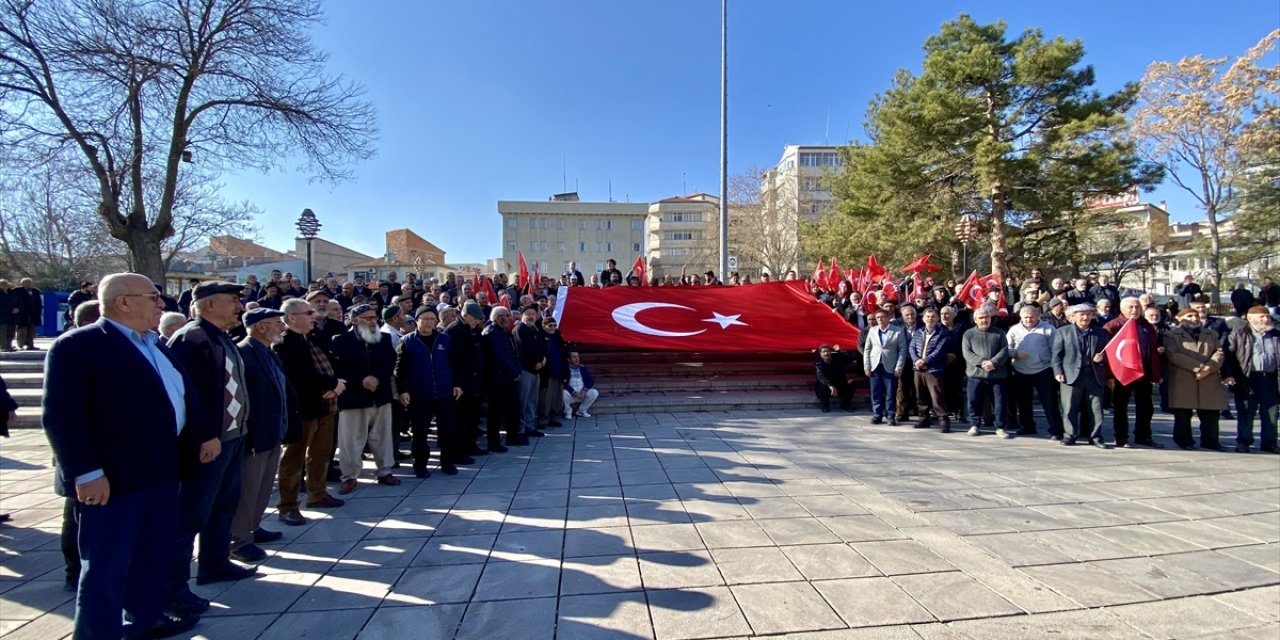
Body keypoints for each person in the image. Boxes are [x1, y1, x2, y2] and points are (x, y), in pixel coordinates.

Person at [43, 273, 200, 639]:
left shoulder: (154, 344)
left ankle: (145, 617)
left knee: (152, 554)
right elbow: (62, 417)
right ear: (123, 302)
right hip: (112, 478)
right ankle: (98, 633)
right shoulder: (78, 347)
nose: (162, 304)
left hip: (160, 471)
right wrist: (85, 472)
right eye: (153, 297)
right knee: (106, 565)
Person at [164, 282, 257, 616]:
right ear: (209, 304)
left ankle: (215, 563)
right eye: (232, 301)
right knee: (190, 514)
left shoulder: (220, 336)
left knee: (223, 504)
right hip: (208, 443)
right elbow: (188, 395)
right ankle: (172, 589)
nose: (238, 307)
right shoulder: (192, 339)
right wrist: (204, 435)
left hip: (232, 437)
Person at [230, 308, 299, 565]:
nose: (282, 327)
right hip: (255, 435)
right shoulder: (244, 353)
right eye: (277, 323)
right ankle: (239, 540)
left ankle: (253, 528)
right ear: (260, 327)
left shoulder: (269, 352)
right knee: (248, 489)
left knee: (262, 487)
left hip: (273, 431)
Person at [274, 298, 346, 526]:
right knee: (293, 460)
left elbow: (331, 362)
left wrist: (336, 385)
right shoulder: (283, 343)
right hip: (303, 410)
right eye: (308, 312)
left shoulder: (312, 337)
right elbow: (300, 376)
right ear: (292, 317)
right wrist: (332, 385)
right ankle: (288, 506)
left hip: (326, 406)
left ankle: (317, 494)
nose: (314, 316)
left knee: (321, 454)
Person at [330, 304, 401, 492]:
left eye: (374, 318)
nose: (372, 321)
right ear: (354, 320)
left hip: (380, 394)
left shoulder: (384, 338)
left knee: (382, 436)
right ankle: (350, 476)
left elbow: (390, 362)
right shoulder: (340, 341)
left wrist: (377, 378)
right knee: (351, 439)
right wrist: (362, 380)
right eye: (367, 318)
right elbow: (339, 368)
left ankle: (385, 471)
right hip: (353, 397)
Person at [395, 306, 466, 476]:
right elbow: (399, 370)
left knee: (447, 430)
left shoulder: (445, 339)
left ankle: (447, 463)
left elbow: (455, 364)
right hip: (419, 394)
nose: (428, 322)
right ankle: (420, 465)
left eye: (432, 319)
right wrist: (402, 391)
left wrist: (457, 384)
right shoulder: (406, 341)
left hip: (444, 392)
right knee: (420, 433)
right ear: (416, 321)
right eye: (424, 319)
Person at [1102, 298, 1164, 449]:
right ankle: (1121, 438)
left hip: (1144, 372)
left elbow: (1152, 351)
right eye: (1131, 307)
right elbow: (1108, 354)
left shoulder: (1146, 325)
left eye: (1137, 307)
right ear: (1122, 309)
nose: (1135, 310)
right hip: (1122, 374)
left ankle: (1144, 436)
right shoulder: (1112, 326)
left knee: (1146, 407)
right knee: (1121, 408)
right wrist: (1109, 376)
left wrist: (1156, 373)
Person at [1164, 308, 1226, 450]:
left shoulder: (1211, 334)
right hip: (1184, 378)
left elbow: (1219, 352)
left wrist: (1209, 368)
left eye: (1196, 316)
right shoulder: (1171, 335)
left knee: (1210, 414)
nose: (1194, 318)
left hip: (1208, 378)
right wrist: (1198, 367)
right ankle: (1184, 441)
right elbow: (1173, 354)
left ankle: (1211, 442)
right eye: (1190, 316)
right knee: (1183, 414)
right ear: (1179, 319)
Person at [1223, 306, 1280, 454]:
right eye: (1262, 317)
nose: (1266, 319)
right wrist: (1228, 375)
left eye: (1267, 316)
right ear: (1250, 318)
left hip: (1271, 378)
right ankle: (1244, 442)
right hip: (1247, 378)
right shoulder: (1238, 334)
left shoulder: (1276, 335)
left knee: (1271, 413)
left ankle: (1270, 443)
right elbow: (1228, 357)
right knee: (1246, 412)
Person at [1052, 304, 1109, 447]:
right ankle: (1069, 435)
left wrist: (1102, 358)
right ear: (1073, 317)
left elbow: (1109, 353)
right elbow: (1056, 355)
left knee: (1096, 409)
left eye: (1088, 314)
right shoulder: (1062, 332)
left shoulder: (1100, 333)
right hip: (1071, 375)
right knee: (1069, 407)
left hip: (1094, 375)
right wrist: (1058, 372)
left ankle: (1095, 437)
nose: (1085, 317)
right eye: (1081, 314)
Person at [1006, 305, 1063, 438]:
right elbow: (1006, 348)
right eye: (1026, 317)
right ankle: (1027, 427)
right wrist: (1015, 353)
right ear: (1021, 317)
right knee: (1023, 402)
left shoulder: (1048, 328)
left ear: (1038, 316)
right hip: (1021, 370)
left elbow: (1056, 348)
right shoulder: (1014, 330)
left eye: (1031, 317)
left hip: (1044, 370)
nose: (1029, 320)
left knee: (1050, 402)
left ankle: (1056, 430)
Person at [448, 302, 496, 453]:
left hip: (475, 381)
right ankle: (460, 449)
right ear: (465, 315)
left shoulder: (472, 329)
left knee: (473, 416)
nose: (478, 321)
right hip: (463, 383)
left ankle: (471, 445)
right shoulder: (455, 330)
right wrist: (457, 383)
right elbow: (453, 360)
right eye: (475, 318)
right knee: (461, 419)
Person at [962, 306, 1012, 438]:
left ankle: (1000, 427)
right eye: (981, 318)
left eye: (987, 317)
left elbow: (1004, 351)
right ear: (975, 320)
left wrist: (993, 362)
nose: (985, 320)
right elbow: (967, 353)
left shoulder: (999, 333)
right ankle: (974, 425)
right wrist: (982, 362)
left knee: (999, 402)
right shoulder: (969, 334)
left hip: (997, 375)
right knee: (974, 401)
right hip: (976, 375)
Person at [482, 306, 525, 446]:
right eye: (507, 316)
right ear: (498, 318)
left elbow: (512, 353)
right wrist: (514, 372)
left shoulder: (503, 332)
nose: (510, 318)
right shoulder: (491, 333)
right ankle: (493, 442)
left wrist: (517, 370)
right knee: (497, 411)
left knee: (513, 409)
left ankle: (512, 437)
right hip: (498, 379)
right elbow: (498, 357)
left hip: (509, 378)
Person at [861, 309, 907, 425]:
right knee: (876, 392)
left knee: (891, 392)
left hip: (890, 366)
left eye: (882, 317)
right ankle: (877, 414)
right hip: (875, 365)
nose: (880, 319)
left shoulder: (898, 331)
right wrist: (867, 366)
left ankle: (890, 415)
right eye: (878, 318)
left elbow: (902, 350)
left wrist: (899, 367)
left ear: (888, 318)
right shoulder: (872, 331)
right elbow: (867, 349)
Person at [908, 308, 950, 430]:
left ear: (937, 319)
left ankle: (943, 420)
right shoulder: (918, 332)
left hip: (934, 369)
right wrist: (916, 360)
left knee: (937, 396)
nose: (930, 319)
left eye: (933, 317)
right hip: (918, 369)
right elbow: (912, 347)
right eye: (927, 317)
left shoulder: (942, 333)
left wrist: (924, 361)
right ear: (923, 319)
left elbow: (939, 351)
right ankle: (923, 418)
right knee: (920, 395)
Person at [513, 305, 547, 439]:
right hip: (525, 369)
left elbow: (541, 346)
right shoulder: (520, 329)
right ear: (523, 315)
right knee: (523, 400)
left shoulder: (535, 329)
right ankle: (520, 429)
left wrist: (543, 359)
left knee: (532, 400)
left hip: (536, 370)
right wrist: (538, 360)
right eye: (528, 313)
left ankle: (530, 426)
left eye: (533, 313)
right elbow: (523, 349)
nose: (531, 316)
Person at [538, 315, 568, 427]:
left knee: (556, 397)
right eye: (550, 325)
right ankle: (543, 418)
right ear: (544, 326)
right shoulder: (541, 338)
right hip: (547, 372)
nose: (553, 327)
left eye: (555, 325)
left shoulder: (559, 338)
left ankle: (554, 417)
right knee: (545, 397)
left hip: (559, 371)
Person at [814, 344, 854, 413]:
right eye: (824, 352)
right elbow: (820, 376)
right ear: (820, 353)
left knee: (850, 384)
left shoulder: (837, 357)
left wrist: (841, 351)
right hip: (827, 387)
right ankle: (825, 406)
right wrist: (830, 385)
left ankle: (845, 405)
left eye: (828, 351)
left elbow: (850, 359)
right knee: (821, 386)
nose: (826, 353)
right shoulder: (818, 362)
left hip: (839, 384)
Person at [563, 352, 599, 418]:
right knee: (563, 393)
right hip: (571, 395)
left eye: (578, 357)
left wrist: (584, 390)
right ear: (568, 359)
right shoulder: (564, 369)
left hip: (582, 394)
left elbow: (590, 381)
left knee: (594, 392)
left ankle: (581, 411)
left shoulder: (582, 368)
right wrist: (574, 392)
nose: (577, 359)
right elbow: (563, 383)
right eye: (574, 357)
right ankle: (568, 412)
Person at [14, 278, 42, 350]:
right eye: (26, 283)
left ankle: (30, 345)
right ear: (22, 283)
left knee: (31, 330)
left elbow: (38, 302)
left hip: (33, 314)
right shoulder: (17, 291)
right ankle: (21, 345)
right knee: (22, 330)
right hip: (22, 314)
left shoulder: (35, 291)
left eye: (30, 283)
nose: (28, 284)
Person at [0, 280, 17, 352]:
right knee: (3, 332)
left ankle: (9, 345)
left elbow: (17, 301)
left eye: (6, 284)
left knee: (11, 331)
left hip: (12, 316)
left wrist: (17, 308)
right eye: (3, 284)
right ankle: (3, 346)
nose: (6, 285)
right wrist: (9, 309)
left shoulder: (11, 292)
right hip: (2, 316)